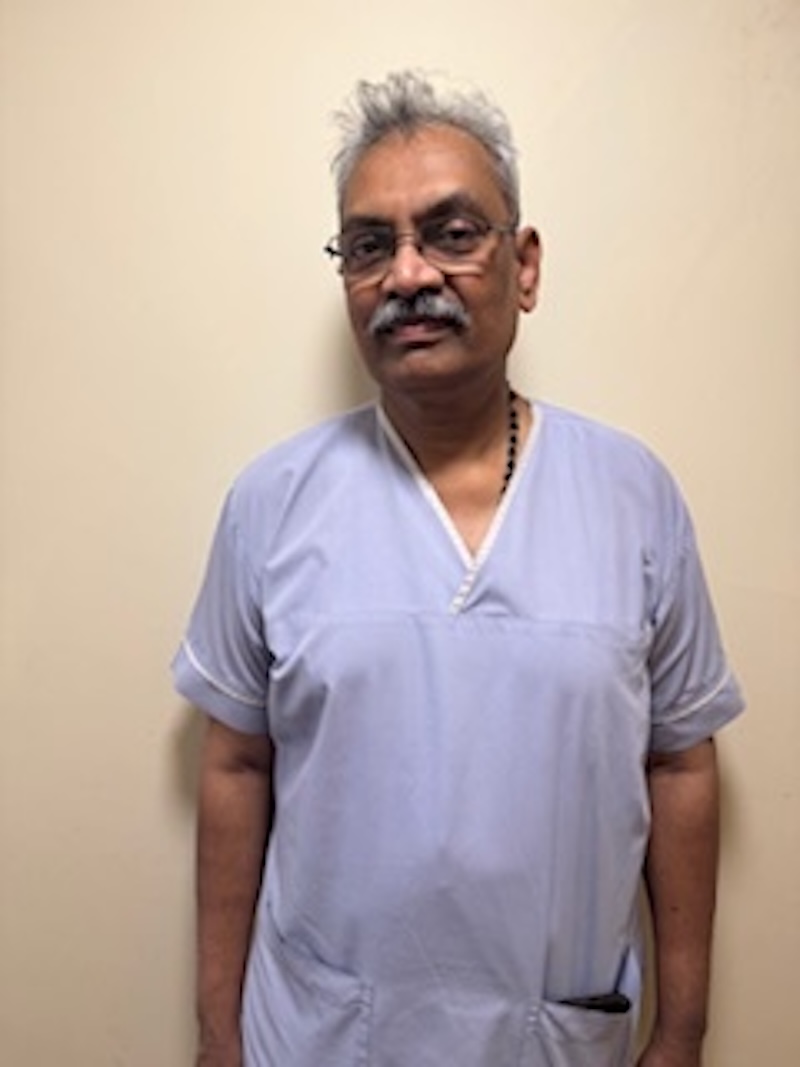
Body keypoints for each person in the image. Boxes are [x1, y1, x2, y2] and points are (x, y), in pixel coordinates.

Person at [172, 70, 744, 1067]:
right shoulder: (271, 503)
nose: (404, 275)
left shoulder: (630, 496)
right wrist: (218, 1034)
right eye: (367, 245)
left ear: (523, 265)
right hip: (314, 1036)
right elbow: (233, 763)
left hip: (550, 1035)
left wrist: (682, 1031)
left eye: (449, 231)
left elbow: (680, 759)